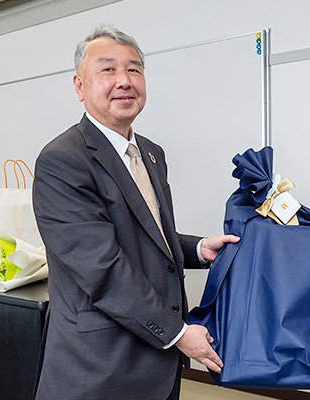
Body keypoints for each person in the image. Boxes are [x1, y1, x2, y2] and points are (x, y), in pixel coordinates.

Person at [32, 26, 239, 400]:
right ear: (80, 87)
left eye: (134, 69)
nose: (124, 81)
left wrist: (198, 248)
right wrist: (177, 333)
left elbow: (147, 233)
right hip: (100, 366)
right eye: (108, 70)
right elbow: (103, 268)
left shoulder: (151, 152)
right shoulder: (63, 159)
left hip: (155, 362)